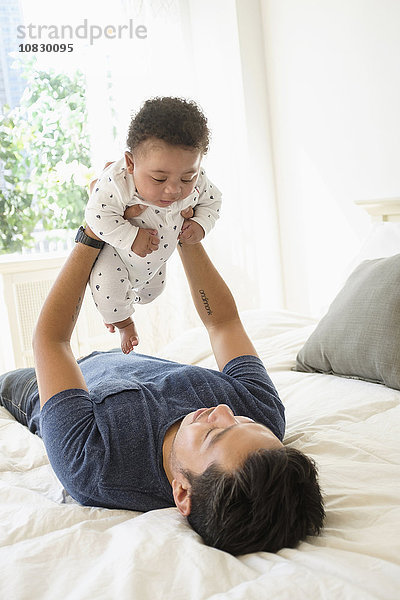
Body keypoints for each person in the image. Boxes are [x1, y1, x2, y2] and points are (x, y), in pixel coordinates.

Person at [0, 227, 324, 555]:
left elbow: (51, 340)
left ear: (182, 493)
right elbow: (224, 323)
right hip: (128, 361)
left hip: (59, 388)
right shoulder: (262, 414)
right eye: (246, 422)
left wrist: (91, 234)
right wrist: (185, 233)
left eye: (214, 435)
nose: (225, 411)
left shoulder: (94, 464)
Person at [84, 96, 222, 354]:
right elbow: (95, 216)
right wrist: (131, 236)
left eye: (187, 177)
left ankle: (126, 300)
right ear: (130, 163)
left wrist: (201, 224)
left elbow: (213, 201)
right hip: (117, 255)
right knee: (111, 293)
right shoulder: (118, 182)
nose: (173, 189)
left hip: (156, 260)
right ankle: (123, 323)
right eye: (159, 179)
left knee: (154, 293)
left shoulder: (199, 181)